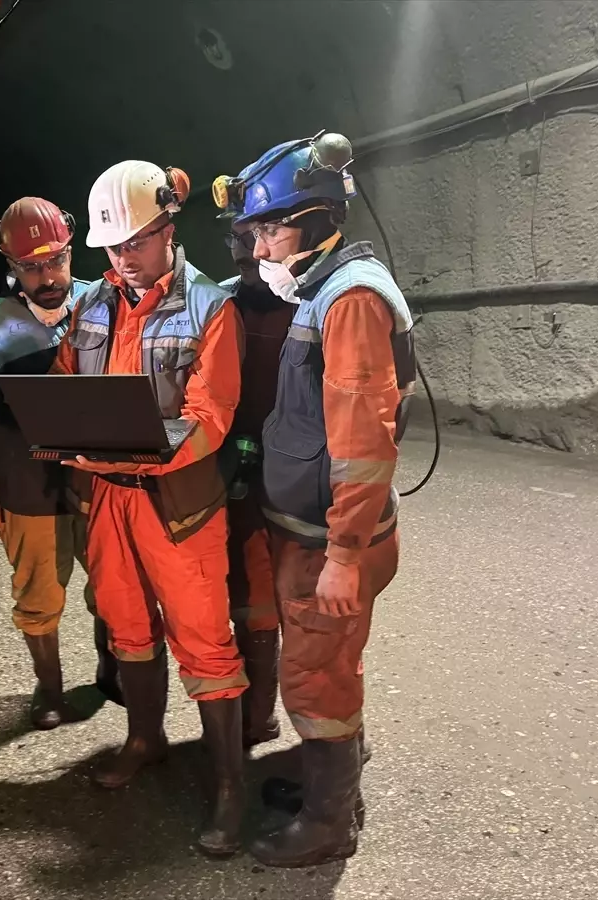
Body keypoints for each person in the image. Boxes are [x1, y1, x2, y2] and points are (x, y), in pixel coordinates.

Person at [214, 134, 415, 867]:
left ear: (317, 219)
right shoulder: (322, 288)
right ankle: (329, 783)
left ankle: (330, 824)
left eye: (270, 229)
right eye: (255, 232)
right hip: (310, 529)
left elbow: (363, 444)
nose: (259, 247)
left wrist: (344, 555)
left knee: (316, 674)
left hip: (329, 539)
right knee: (327, 664)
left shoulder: (350, 299)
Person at [53, 160, 249, 856]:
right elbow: (67, 381)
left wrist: (131, 456)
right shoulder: (89, 306)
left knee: (205, 639)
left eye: (135, 241)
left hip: (178, 504)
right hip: (108, 501)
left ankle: (230, 786)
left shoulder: (210, 308)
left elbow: (210, 416)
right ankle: (145, 738)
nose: (123, 257)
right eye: (111, 247)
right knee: (126, 625)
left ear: (169, 228)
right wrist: (62, 433)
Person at [0, 197, 115, 729]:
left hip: (97, 481)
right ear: (12, 266)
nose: (48, 277)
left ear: (71, 252)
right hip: (28, 487)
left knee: (112, 583)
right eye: (31, 267)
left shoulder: (101, 303)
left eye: (56, 261)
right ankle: (49, 690)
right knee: (39, 592)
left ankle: (113, 670)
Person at [218, 209, 296, 750]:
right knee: (250, 594)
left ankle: (331, 735)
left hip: (298, 475)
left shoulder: (312, 301)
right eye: (238, 237)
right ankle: (257, 715)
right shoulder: (220, 303)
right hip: (238, 471)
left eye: (259, 235)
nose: (249, 249)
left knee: (309, 604)